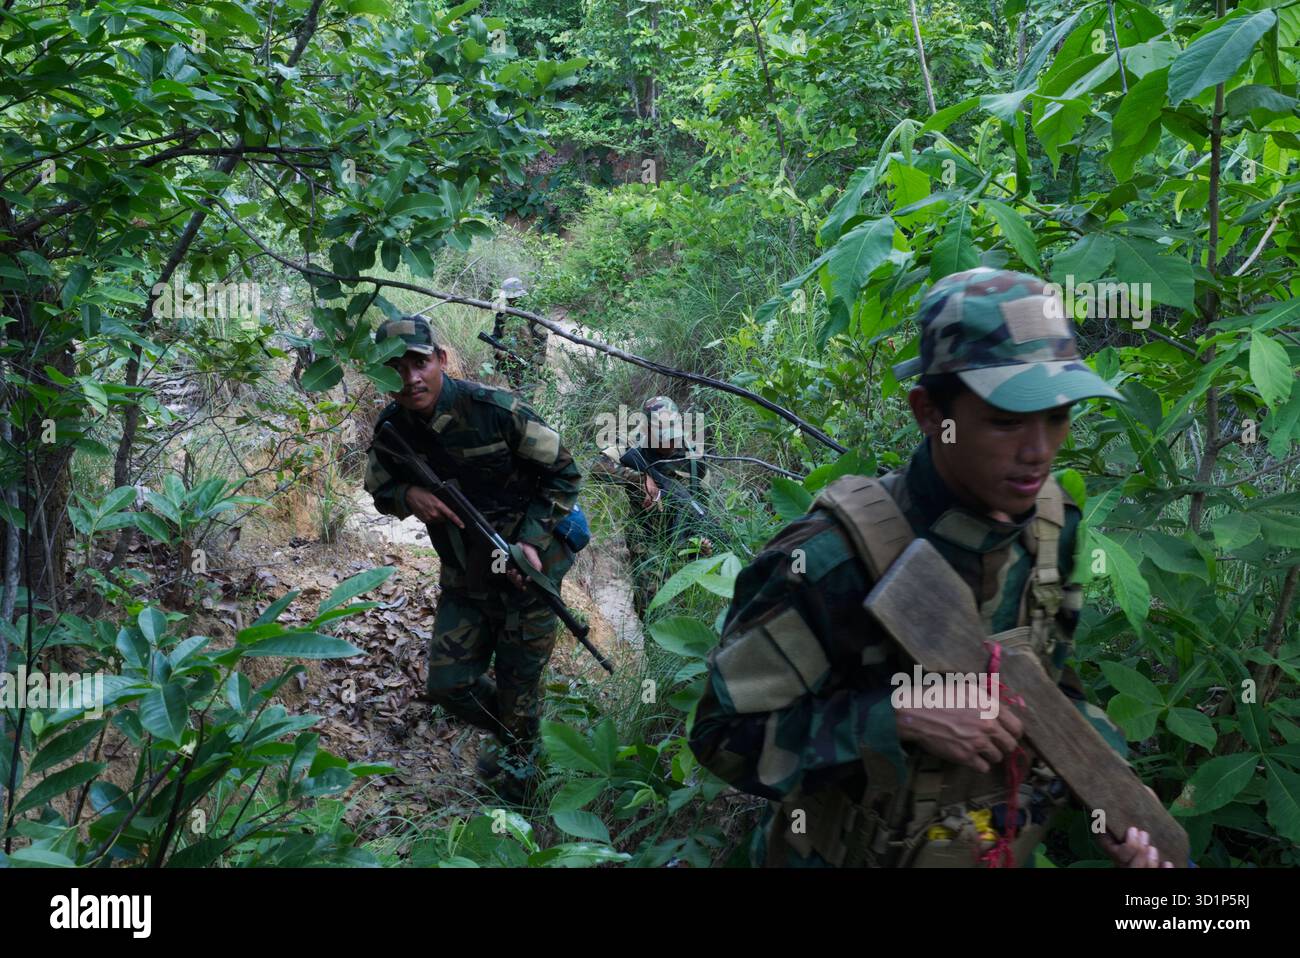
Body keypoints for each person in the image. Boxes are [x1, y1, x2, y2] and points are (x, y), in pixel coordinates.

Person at [689, 268, 1175, 868]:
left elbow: (1051, 687)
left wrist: (1109, 788)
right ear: (928, 411)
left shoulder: (1053, 529)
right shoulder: (830, 559)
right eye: (1006, 419)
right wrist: (896, 716)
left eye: (1057, 416)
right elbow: (721, 739)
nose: (1039, 450)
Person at [363, 315, 583, 803]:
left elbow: (565, 473)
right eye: (394, 368)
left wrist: (530, 539)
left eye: (419, 363)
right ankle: (517, 738)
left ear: (440, 359)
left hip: (529, 572)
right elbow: (379, 489)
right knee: (448, 684)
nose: (410, 378)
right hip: (464, 574)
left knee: (519, 685)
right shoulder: (392, 429)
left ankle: (524, 798)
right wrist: (408, 495)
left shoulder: (497, 410)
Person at [590, 395, 711, 619]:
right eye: (664, 438)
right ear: (648, 430)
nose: (670, 444)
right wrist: (639, 477)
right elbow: (597, 467)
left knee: (685, 609)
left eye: (673, 437)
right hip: (645, 535)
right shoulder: (633, 441)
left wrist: (701, 539)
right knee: (652, 602)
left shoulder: (692, 455)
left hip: (681, 538)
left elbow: (701, 504)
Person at [490, 276, 547, 391]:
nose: (511, 300)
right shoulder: (502, 313)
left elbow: (542, 338)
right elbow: (496, 336)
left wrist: (537, 363)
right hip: (509, 361)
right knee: (515, 392)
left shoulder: (534, 311)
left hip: (529, 362)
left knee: (527, 395)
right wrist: (499, 351)